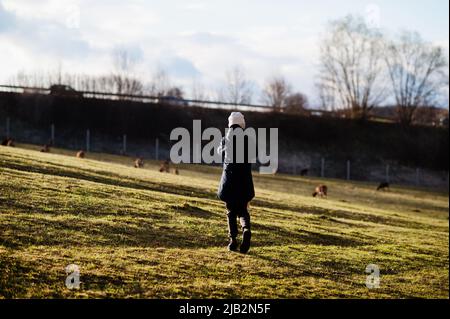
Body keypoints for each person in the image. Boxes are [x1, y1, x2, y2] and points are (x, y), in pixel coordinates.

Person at [217, 112, 255, 253]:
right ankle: (246, 229)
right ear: (242, 124)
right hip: (244, 181)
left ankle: (233, 240)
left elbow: (219, 154)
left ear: (230, 124)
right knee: (243, 211)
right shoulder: (249, 139)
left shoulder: (225, 139)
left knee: (231, 211)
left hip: (230, 181)